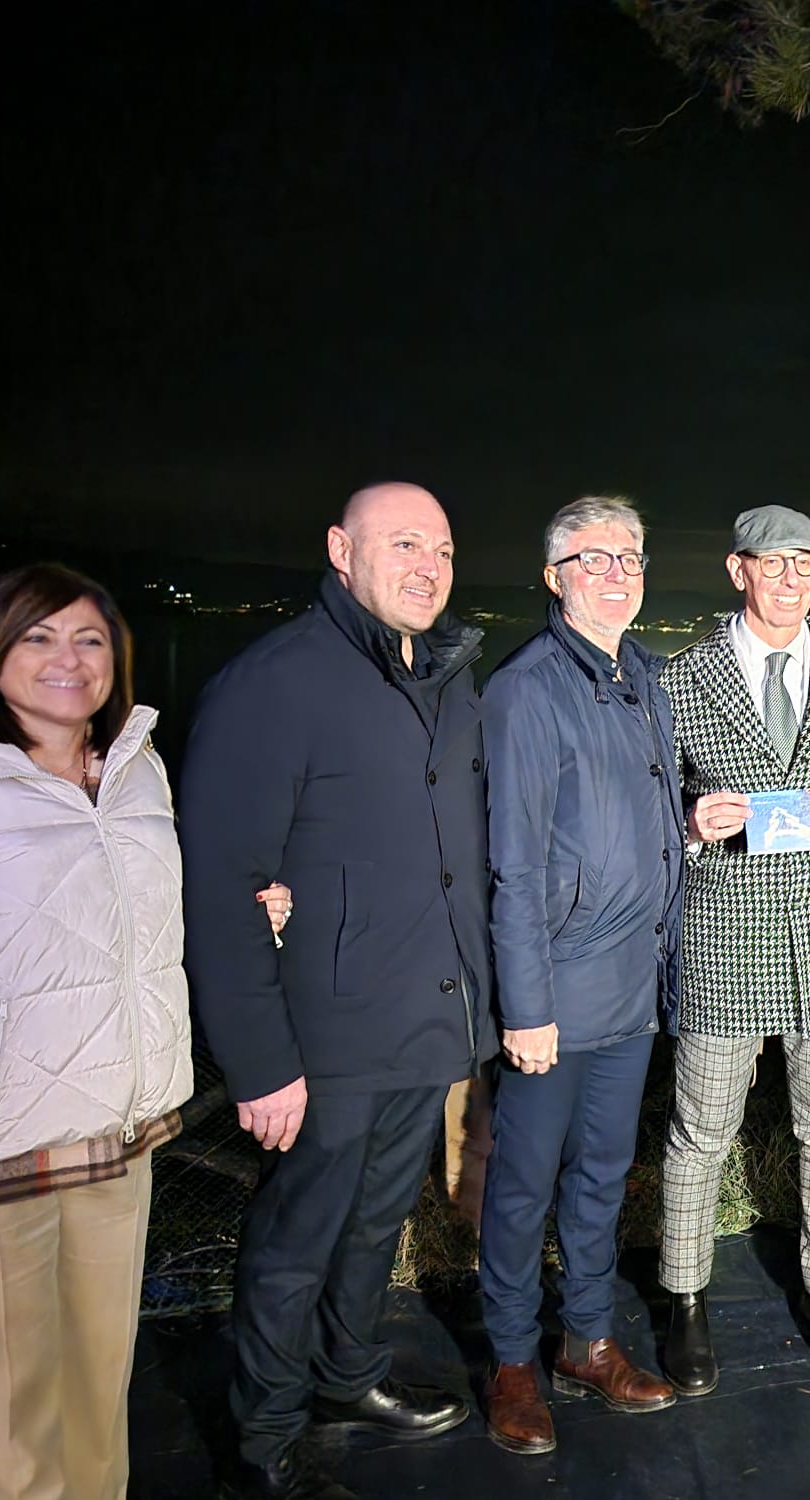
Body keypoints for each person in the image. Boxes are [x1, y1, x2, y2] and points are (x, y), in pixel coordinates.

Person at [0, 564, 278, 1500]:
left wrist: (247, 910)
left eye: (90, 639)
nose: (68, 659)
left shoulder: (134, 768)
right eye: (38, 637)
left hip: (115, 1139)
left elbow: (134, 915)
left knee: (91, 1405)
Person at [182, 483, 490, 1500]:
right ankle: (264, 1438)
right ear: (339, 551)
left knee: (373, 1221)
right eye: (402, 544)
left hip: (419, 1016)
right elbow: (222, 883)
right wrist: (261, 1062)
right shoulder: (277, 682)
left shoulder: (443, 679)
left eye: (440, 548)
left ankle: (345, 1378)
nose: (427, 566)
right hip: (323, 1035)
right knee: (294, 1237)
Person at [656, 505, 810, 1392]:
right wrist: (687, 822)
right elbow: (660, 799)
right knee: (702, 1130)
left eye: (806, 565)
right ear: (737, 570)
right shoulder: (682, 678)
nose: (792, 580)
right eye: (773, 564)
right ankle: (683, 1298)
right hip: (724, 935)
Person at [476, 497, 685, 1454]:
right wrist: (526, 1005)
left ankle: (587, 1339)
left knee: (603, 1177)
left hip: (631, 988)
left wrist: (688, 829)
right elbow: (515, 864)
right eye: (593, 558)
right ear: (555, 577)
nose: (616, 572)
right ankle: (514, 1360)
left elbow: (609, 831)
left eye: (630, 556)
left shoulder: (643, 678)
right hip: (555, 994)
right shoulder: (527, 689)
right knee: (522, 1185)